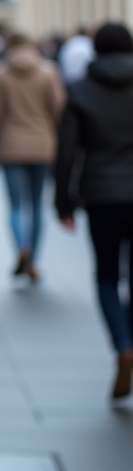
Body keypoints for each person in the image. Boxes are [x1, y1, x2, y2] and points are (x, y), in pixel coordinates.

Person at [54, 22, 133, 399]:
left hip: (101, 194)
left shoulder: (80, 90)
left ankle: (122, 345)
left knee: (105, 276)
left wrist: (63, 202)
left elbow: (67, 152)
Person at [0, 34, 65, 281]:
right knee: (36, 205)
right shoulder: (48, 71)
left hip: (11, 145)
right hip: (43, 144)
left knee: (16, 206)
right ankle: (33, 261)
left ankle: (22, 247)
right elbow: (59, 108)